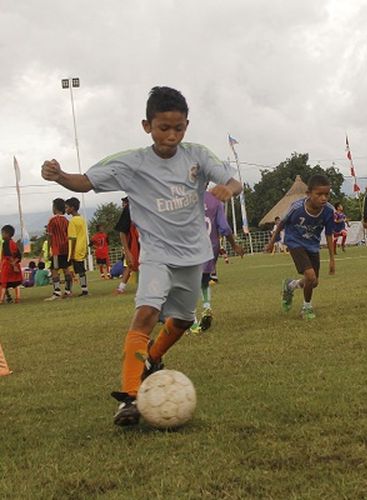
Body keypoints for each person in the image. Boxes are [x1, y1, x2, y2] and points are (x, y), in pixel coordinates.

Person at [41, 85, 242, 426]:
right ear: (147, 126)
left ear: (186, 126)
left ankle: (151, 359)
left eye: (178, 128)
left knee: (181, 322)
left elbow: (235, 183)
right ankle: (130, 397)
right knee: (146, 313)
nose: (171, 135)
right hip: (156, 254)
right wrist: (59, 176)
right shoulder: (130, 163)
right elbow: (85, 182)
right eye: (164, 127)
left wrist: (227, 189)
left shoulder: (197, 155)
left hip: (194, 255)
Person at [267, 174, 335, 320]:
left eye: (327, 194)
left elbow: (329, 234)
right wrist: (272, 241)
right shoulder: (297, 207)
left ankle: (290, 285)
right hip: (295, 242)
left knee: (313, 282)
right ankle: (307, 308)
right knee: (310, 276)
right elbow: (282, 223)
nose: (323, 198)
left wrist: (331, 258)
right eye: (319, 194)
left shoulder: (329, 211)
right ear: (309, 194)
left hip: (312, 246)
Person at [191, 190, 244, 334]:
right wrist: (234, 245)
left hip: (189, 248)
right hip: (210, 249)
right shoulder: (215, 201)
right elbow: (225, 228)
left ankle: (192, 321)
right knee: (204, 280)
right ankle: (207, 307)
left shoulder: (182, 198)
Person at [45, 198, 73, 300]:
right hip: (66, 248)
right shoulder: (66, 220)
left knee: (54, 269)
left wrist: (48, 250)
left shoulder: (52, 221)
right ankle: (68, 291)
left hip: (56, 249)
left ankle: (57, 292)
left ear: (55, 208)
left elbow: (50, 236)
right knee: (66, 269)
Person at [114, 197, 140, 294]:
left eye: (124, 202)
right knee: (131, 265)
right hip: (134, 244)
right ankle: (121, 287)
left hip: (150, 244)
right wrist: (127, 251)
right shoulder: (129, 209)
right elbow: (122, 231)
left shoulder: (152, 203)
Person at [65, 197, 89, 296]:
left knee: (72, 270)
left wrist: (71, 253)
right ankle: (84, 289)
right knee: (81, 270)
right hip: (82, 248)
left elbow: (73, 238)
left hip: (75, 249)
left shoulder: (72, 221)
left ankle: (70, 290)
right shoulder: (82, 219)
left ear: (72, 208)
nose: (66, 209)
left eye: (67, 207)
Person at [0, 225, 23, 304]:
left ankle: (1, 299)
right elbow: (19, 256)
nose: (2, 235)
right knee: (16, 283)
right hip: (15, 265)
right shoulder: (14, 243)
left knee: (3, 283)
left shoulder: (5, 243)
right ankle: (18, 298)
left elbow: (7, 255)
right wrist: (15, 264)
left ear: (7, 234)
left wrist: (12, 264)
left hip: (7, 266)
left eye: (2, 233)